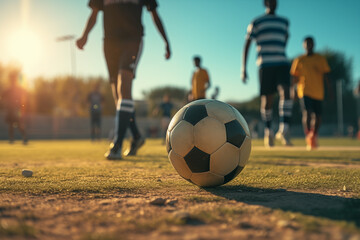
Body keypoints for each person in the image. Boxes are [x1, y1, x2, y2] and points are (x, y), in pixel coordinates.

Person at [77, 0, 171, 160]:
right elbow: (94, 14)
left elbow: (155, 15)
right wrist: (85, 35)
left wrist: (166, 42)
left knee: (124, 87)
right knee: (118, 97)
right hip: (109, 43)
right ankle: (136, 137)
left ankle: (117, 145)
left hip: (132, 40)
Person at [242, 0, 293, 147]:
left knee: (286, 93)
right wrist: (243, 68)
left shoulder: (284, 22)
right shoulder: (256, 22)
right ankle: (268, 131)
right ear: (265, 3)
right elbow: (247, 43)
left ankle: (284, 129)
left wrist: (279, 49)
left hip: (282, 63)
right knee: (267, 100)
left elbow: (286, 37)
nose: (273, 3)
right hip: (265, 64)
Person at [290, 36, 331, 150]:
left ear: (314, 44)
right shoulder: (299, 60)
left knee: (317, 117)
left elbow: (327, 76)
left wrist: (330, 91)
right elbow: (294, 77)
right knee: (307, 113)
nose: (308, 45)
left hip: (318, 92)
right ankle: (308, 135)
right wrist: (292, 91)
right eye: (306, 43)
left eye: (310, 43)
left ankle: (314, 134)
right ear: (303, 45)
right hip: (304, 91)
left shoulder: (320, 59)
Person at [1, 70, 28, 144]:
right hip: (10, 109)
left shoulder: (17, 89)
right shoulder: (9, 89)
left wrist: (21, 106)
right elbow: (2, 96)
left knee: (18, 124)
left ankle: (24, 137)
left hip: (16, 110)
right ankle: (12, 139)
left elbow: (24, 95)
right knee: (11, 125)